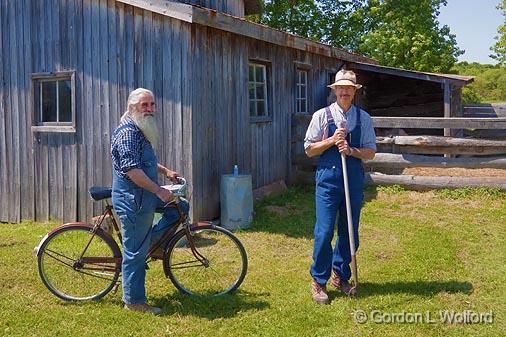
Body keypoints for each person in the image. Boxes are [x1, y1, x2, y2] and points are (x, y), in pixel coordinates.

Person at [111, 88, 189, 314]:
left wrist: (165, 172)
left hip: (144, 196)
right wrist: (159, 190)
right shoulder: (128, 133)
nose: (150, 109)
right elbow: (133, 170)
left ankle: (154, 244)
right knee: (134, 252)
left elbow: (144, 162)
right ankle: (134, 302)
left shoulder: (139, 130)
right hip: (133, 200)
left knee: (180, 206)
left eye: (152, 105)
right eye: (145, 105)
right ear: (133, 107)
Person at [304, 69, 376, 304]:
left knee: (349, 231)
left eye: (349, 88)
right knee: (324, 231)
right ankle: (318, 280)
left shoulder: (363, 118)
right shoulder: (321, 116)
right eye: (340, 87)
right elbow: (309, 149)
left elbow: (371, 152)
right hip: (327, 181)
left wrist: (351, 151)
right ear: (334, 90)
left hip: (353, 179)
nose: (344, 91)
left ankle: (341, 275)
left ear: (355, 91)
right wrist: (331, 141)